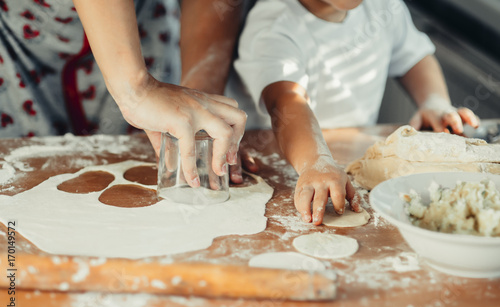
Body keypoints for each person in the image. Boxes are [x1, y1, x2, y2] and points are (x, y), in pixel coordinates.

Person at [234, 0, 480, 225]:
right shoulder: (274, 25)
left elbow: (415, 58)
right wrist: (314, 163)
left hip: (353, 157)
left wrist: (434, 102)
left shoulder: (383, 7)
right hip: (287, 164)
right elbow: (286, 101)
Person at [0, 0, 250, 186]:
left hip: (144, 26)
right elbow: (136, 89)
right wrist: (137, 89)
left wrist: (200, 102)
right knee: (23, 177)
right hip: (19, 41)